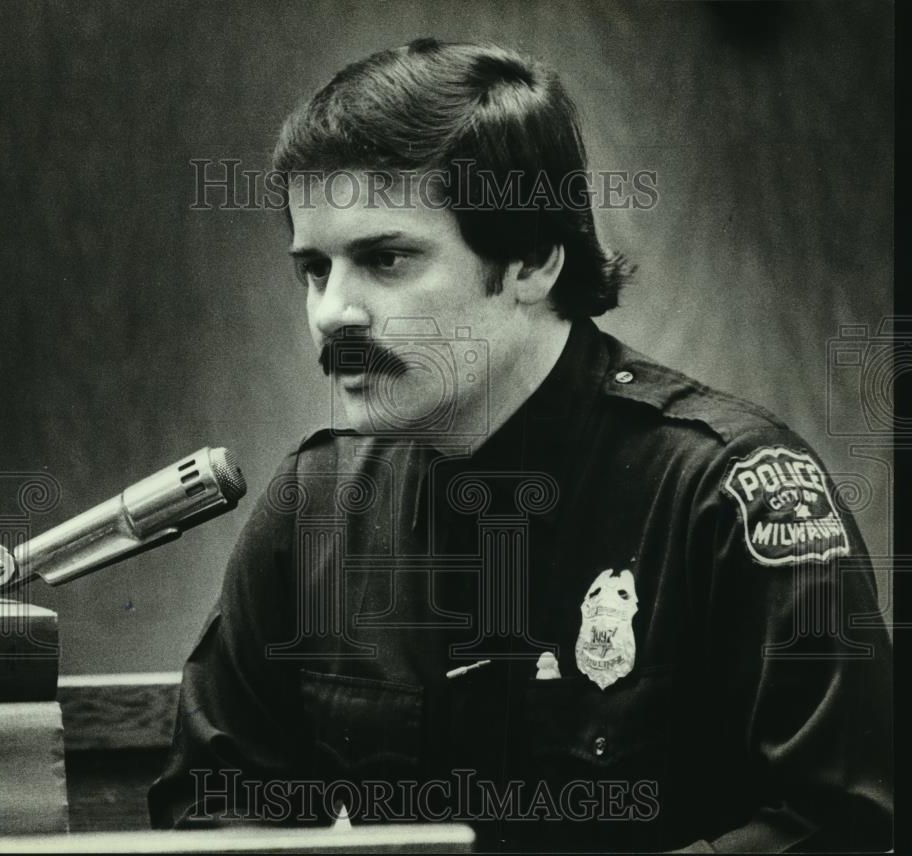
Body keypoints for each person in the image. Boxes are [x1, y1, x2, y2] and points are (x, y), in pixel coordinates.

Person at [148, 39, 893, 852]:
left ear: (532, 260)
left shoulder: (729, 493)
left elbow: (832, 827)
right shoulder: (313, 507)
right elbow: (211, 809)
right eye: (314, 270)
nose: (332, 313)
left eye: (385, 259)